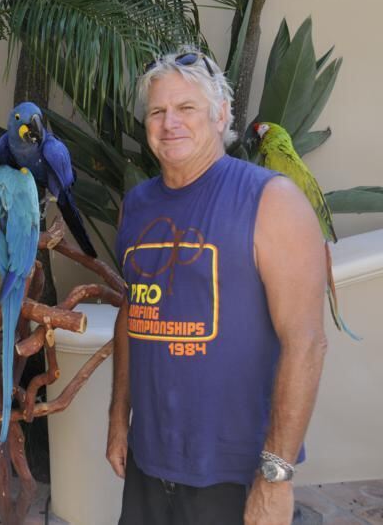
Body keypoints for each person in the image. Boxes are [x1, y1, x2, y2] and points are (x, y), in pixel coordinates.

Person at [106, 48, 327, 525]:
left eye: (186, 108)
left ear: (221, 113)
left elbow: (306, 343)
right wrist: (118, 419)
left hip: (235, 472)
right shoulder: (136, 206)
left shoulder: (271, 200)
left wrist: (276, 476)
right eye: (157, 112)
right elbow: (133, 312)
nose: (169, 123)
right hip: (148, 463)